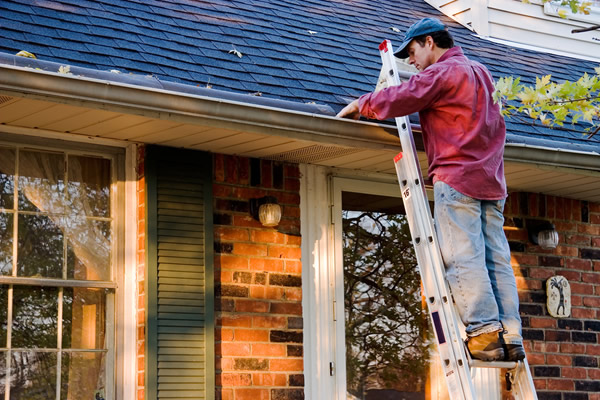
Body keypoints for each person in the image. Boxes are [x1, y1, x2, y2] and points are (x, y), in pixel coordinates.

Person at [337, 17, 525, 362]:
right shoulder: (482, 73)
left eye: (411, 52)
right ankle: (510, 334)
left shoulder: (444, 72)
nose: (410, 62)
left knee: (463, 257)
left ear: (428, 42)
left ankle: (484, 333)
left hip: (458, 180)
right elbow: (486, 128)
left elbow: (407, 95)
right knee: (495, 258)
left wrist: (363, 103)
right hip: (491, 182)